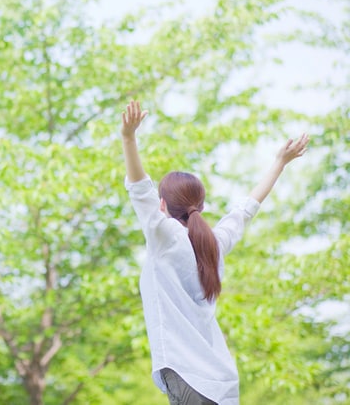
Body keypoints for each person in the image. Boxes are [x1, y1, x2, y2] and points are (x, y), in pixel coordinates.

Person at [120, 99, 309, 405]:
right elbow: (246, 209)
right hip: (221, 383)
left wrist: (128, 138)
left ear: (163, 206)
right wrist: (280, 162)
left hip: (188, 378)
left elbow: (140, 188)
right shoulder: (213, 244)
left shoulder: (165, 237)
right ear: (201, 207)